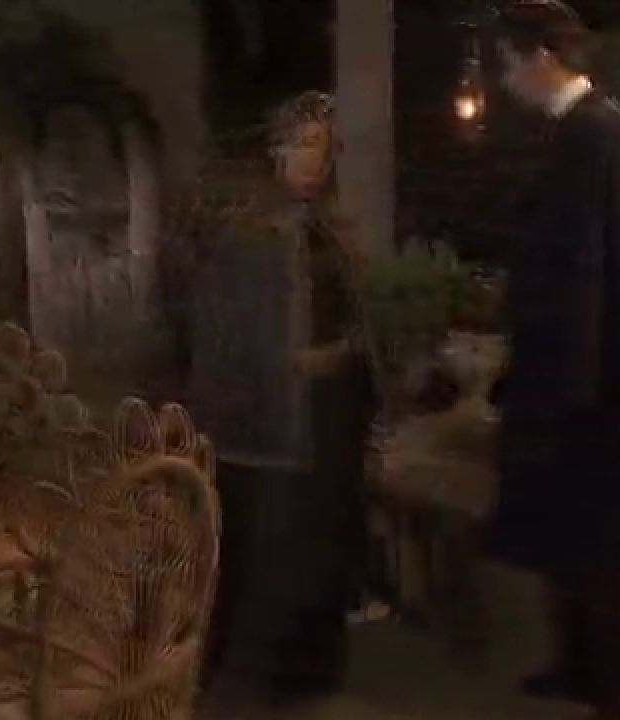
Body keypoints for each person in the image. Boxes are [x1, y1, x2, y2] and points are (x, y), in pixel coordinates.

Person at [482, 2, 620, 719]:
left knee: (606, 558)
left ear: (542, 57)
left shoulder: (595, 136)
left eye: (509, 63)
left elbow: (591, 276)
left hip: (596, 393)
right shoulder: (582, 133)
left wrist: (567, 395)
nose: (506, 80)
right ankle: (577, 668)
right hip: (580, 379)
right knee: (570, 545)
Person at [187, 91, 376, 702]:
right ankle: (243, 682)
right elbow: (221, 329)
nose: (314, 159)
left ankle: (309, 675)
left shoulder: (330, 229)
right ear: (277, 151)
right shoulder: (247, 233)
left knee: (320, 544)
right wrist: (281, 363)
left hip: (331, 411)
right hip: (269, 416)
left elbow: (356, 314)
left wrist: (347, 350)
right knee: (266, 549)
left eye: (322, 146)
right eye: (303, 144)